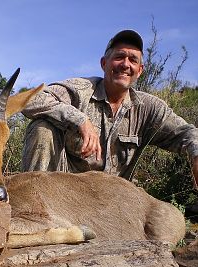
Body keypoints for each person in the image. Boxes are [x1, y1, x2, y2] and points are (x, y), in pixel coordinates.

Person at [21, 29, 198, 186]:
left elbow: (186, 133)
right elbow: (28, 100)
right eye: (119, 57)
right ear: (104, 63)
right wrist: (79, 120)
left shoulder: (149, 108)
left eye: (133, 60)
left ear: (140, 70)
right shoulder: (80, 90)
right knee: (42, 128)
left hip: (111, 203)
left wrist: (196, 152)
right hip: (65, 196)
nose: (125, 64)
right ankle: (34, 206)